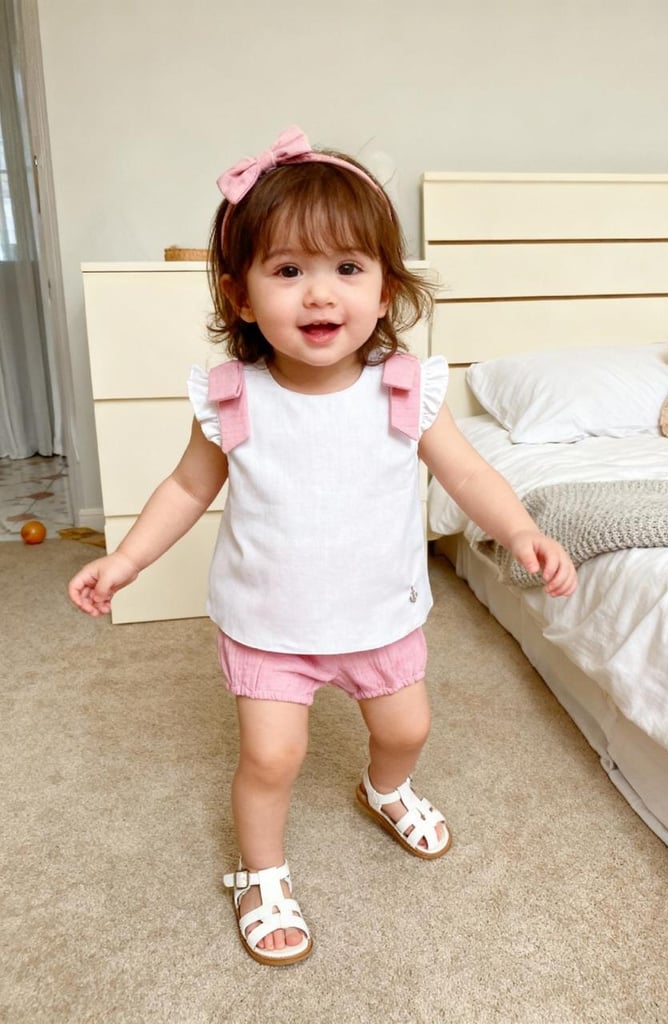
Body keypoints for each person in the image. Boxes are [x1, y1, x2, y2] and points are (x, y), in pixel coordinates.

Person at [68, 125, 577, 966]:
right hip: (269, 622)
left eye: (347, 269)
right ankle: (261, 872)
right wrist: (124, 560)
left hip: (381, 615)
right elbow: (187, 488)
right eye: (288, 270)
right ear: (239, 295)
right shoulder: (233, 396)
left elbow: (469, 472)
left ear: (384, 291)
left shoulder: (408, 388)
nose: (319, 295)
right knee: (272, 757)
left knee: (408, 726)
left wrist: (517, 526)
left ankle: (385, 788)